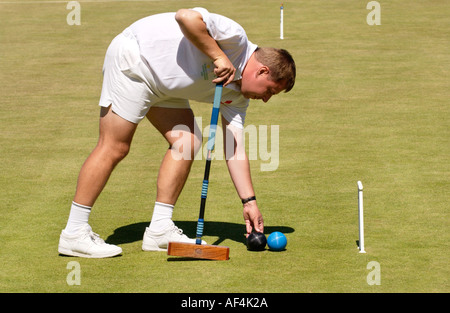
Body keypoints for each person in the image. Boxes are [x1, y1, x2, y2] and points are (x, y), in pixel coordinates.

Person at [58, 7, 296, 258]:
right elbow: (185, 17)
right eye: (270, 91)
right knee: (115, 146)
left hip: (165, 87)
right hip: (136, 59)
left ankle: (160, 229)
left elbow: (233, 147)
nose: (266, 99)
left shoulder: (238, 97)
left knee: (187, 141)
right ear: (262, 71)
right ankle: (74, 233)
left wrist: (249, 202)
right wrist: (219, 56)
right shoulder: (235, 38)